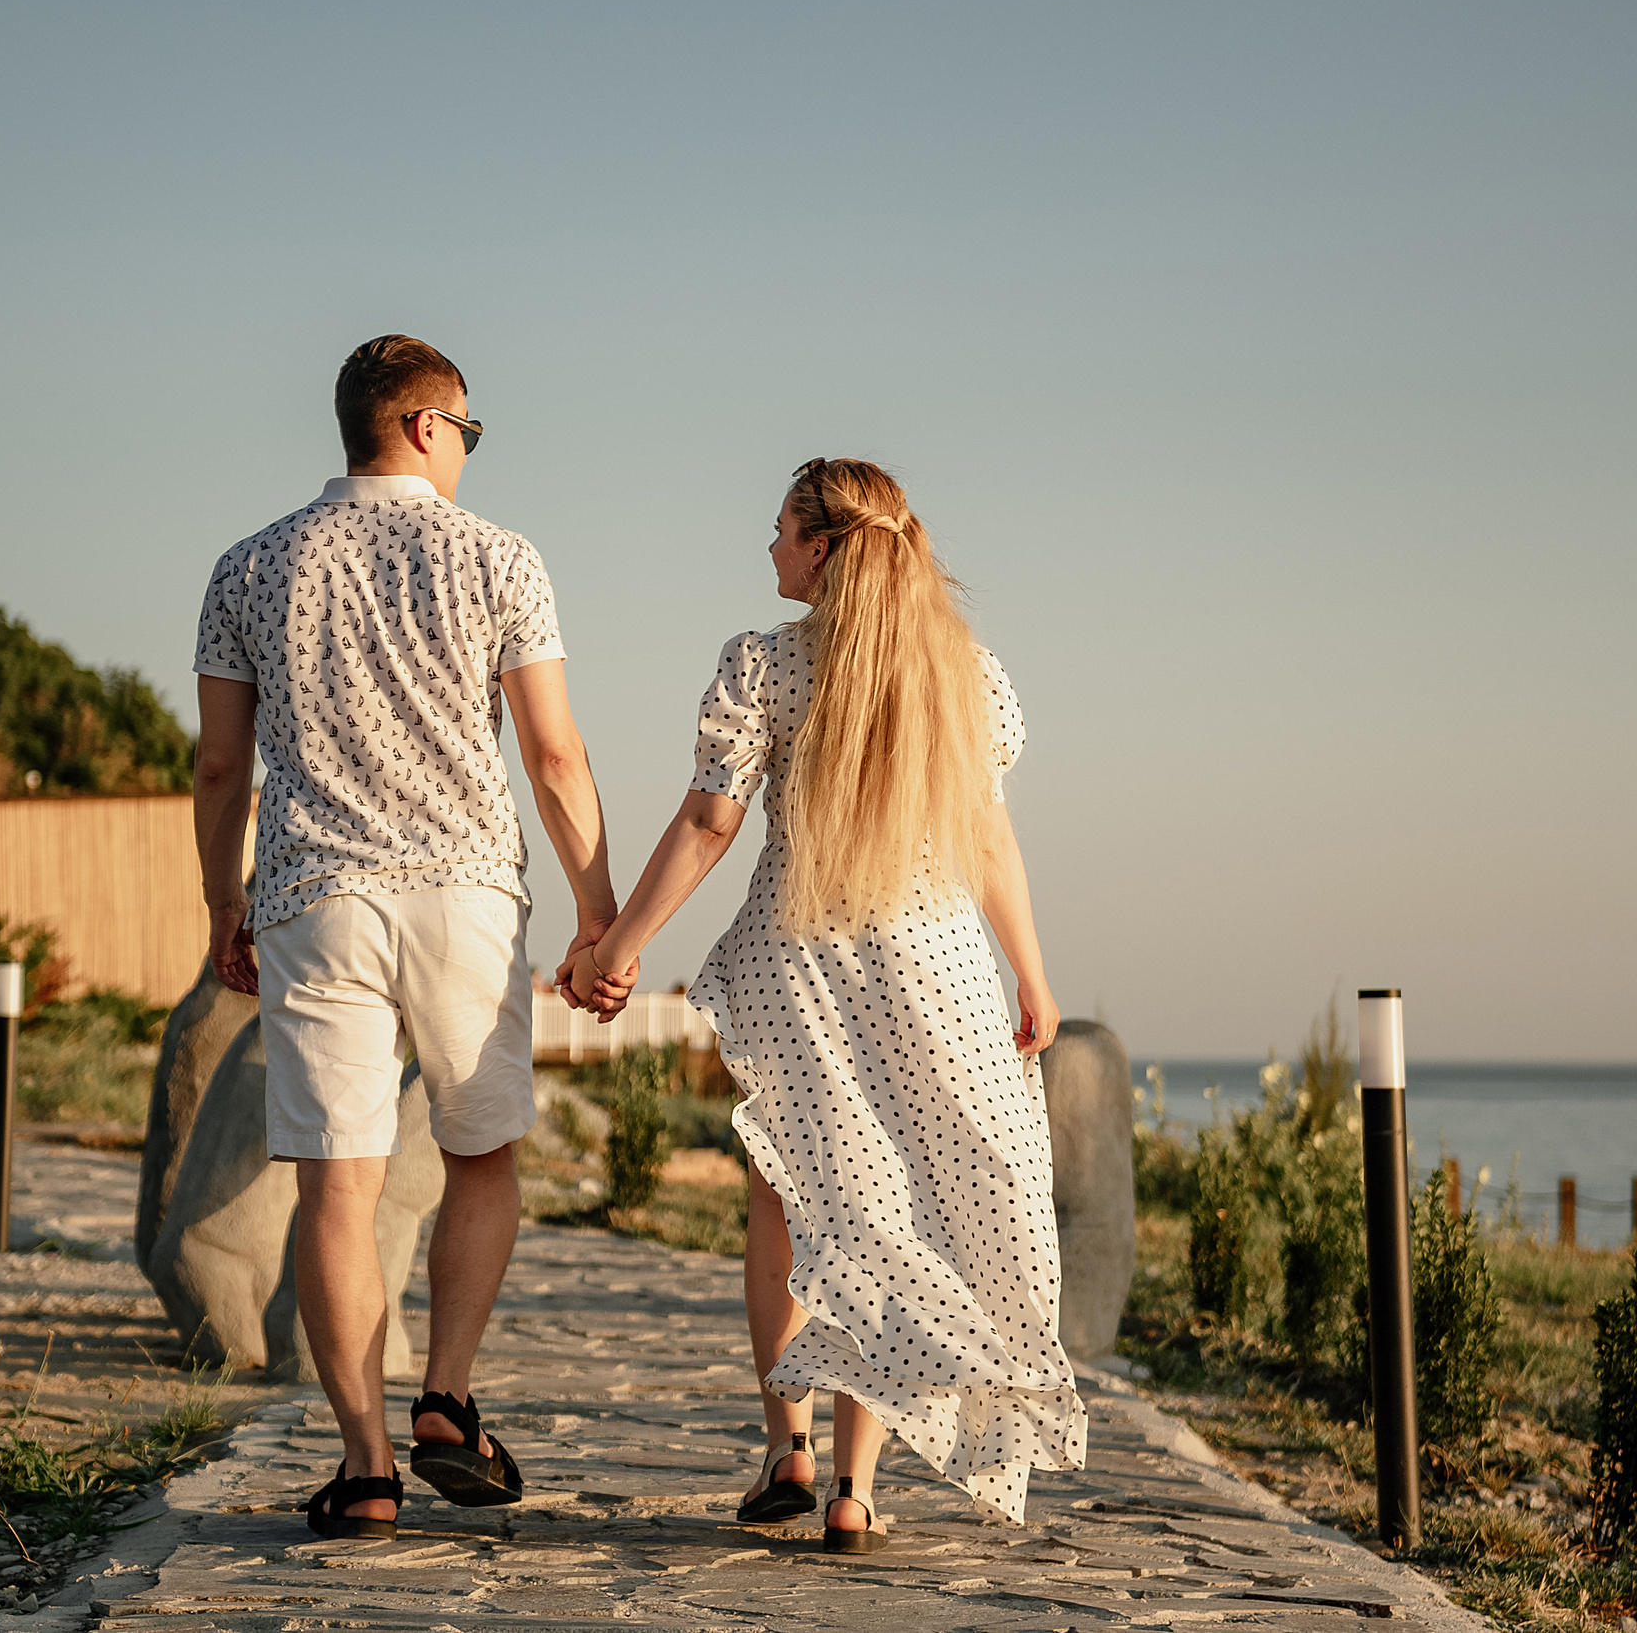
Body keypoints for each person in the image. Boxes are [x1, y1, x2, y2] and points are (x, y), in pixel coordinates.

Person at [570, 456, 1084, 1551]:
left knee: (797, 1206)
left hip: (801, 967)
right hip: (936, 974)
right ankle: (854, 1490)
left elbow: (710, 825)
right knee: (893, 1220)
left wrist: (620, 945)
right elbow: (989, 838)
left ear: (818, 549)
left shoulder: (763, 665)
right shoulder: (963, 675)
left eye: (777, 529)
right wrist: (1032, 977)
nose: (765, 547)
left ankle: (785, 1447)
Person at [190, 334, 622, 1539]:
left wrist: (223, 906)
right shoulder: (499, 557)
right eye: (470, 432)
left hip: (314, 897)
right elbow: (551, 754)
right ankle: (446, 1396)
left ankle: (367, 1466)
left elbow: (223, 764)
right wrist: (599, 913)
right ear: (429, 426)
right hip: (468, 896)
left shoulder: (248, 566)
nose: (469, 454)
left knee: (339, 1183)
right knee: (481, 1156)